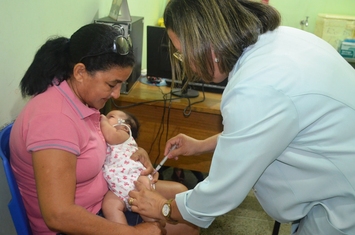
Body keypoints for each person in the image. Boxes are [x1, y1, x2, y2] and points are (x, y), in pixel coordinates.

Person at [128, 0, 355, 235]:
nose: (187, 63)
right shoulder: (281, 39)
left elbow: (223, 190)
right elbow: (262, 131)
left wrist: (164, 208)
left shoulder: (255, 86)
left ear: (206, 41)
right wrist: (200, 146)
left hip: (342, 205)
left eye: (183, 53)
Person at [9, 23, 199, 235]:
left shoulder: (80, 98)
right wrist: (135, 233)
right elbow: (58, 215)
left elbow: (92, 148)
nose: (116, 94)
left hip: (100, 201)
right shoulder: (54, 119)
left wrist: (133, 155)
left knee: (181, 205)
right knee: (178, 223)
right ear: (80, 72)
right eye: (111, 85)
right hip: (74, 224)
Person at [101, 109, 155, 224]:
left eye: (110, 116)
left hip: (135, 179)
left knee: (146, 198)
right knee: (109, 206)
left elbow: (111, 135)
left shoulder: (123, 135)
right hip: (116, 188)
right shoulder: (105, 138)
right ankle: (123, 230)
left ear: (125, 126)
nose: (105, 117)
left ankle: (154, 223)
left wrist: (102, 120)